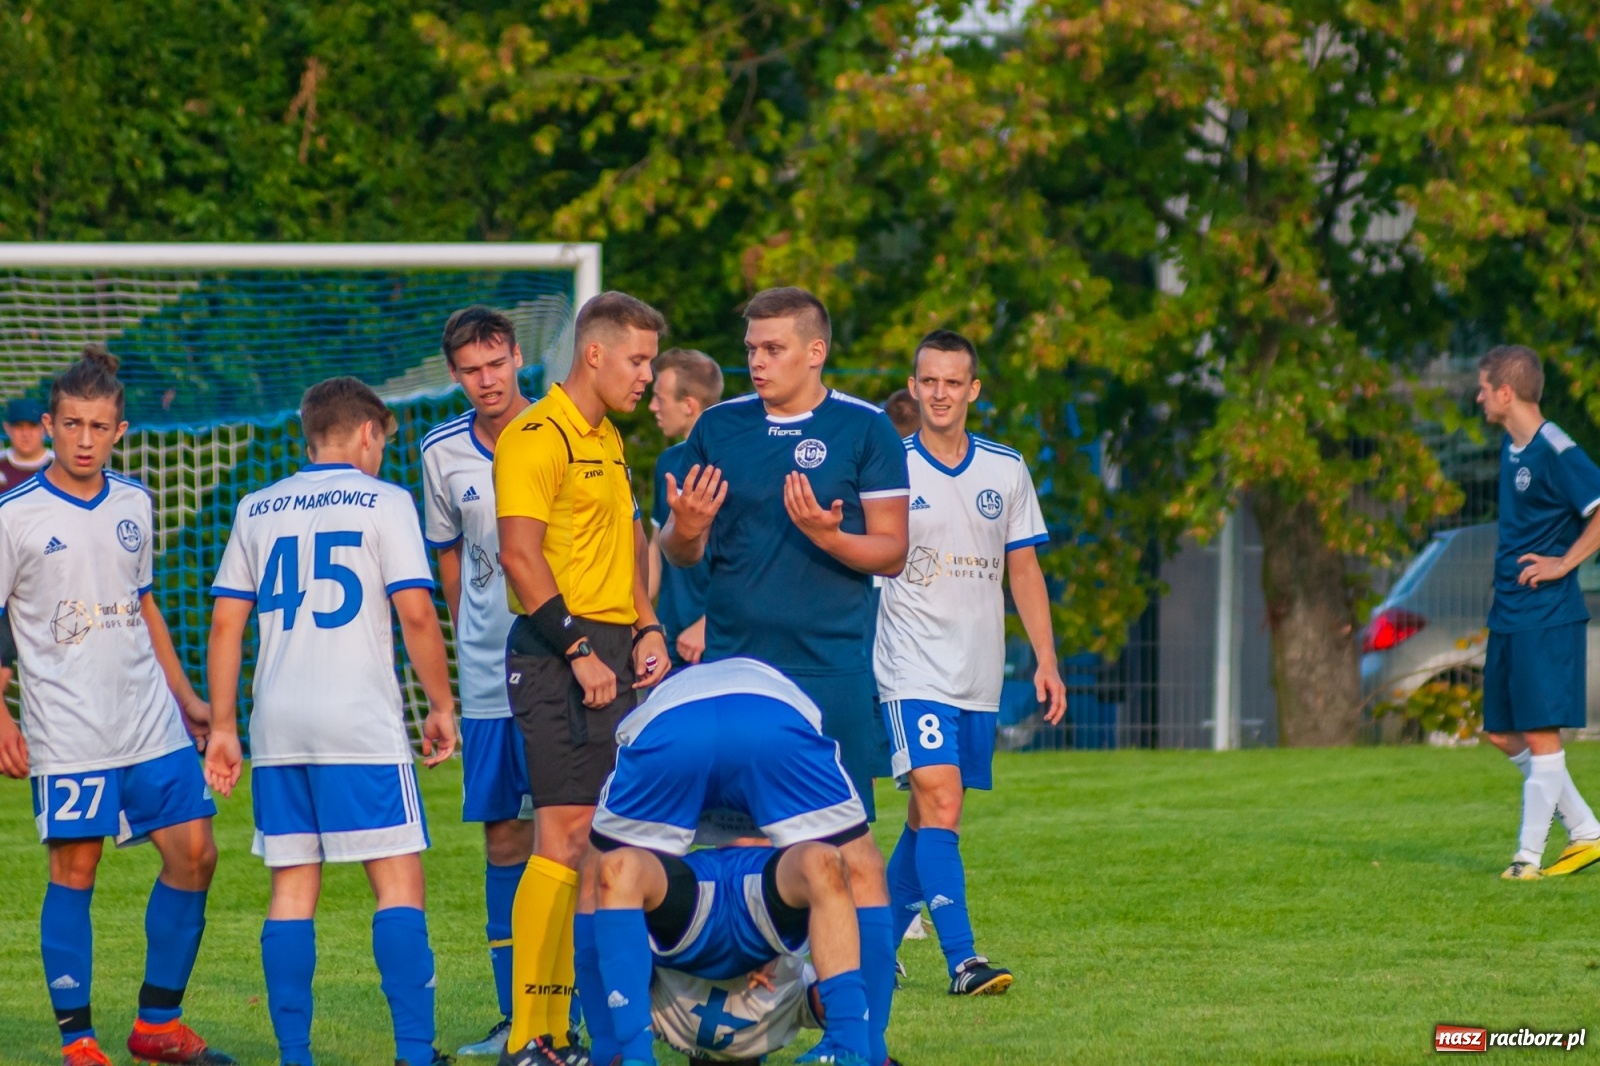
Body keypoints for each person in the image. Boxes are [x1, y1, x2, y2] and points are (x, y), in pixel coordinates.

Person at [659, 286, 908, 1066]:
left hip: (829, 673)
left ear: (815, 351)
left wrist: (829, 537)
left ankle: (862, 1043)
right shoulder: (719, 428)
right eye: (751, 349)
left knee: (852, 861)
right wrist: (686, 532)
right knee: (739, 859)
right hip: (736, 676)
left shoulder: (865, 429)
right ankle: (738, 1036)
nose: (756, 362)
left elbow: (892, 551)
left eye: (772, 348)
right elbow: (680, 550)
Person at [204, 377, 458, 1066]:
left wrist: (223, 726)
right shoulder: (385, 500)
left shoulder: (257, 506)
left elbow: (226, 623)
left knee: (291, 886)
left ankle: (295, 1055)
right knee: (397, 881)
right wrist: (441, 704)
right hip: (358, 720)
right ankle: (414, 1052)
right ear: (369, 433)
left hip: (277, 724)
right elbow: (415, 613)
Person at [0, 348, 232, 1066]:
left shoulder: (135, 501)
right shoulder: (13, 515)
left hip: (150, 718)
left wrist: (187, 698)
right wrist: (1, 716)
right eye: (71, 424)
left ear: (119, 431)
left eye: (99, 427)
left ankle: (157, 1024)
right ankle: (78, 1041)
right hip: (69, 727)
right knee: (76, 869)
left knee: (196, 854)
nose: (84, 439)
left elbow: (144, 605)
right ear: (49, 425)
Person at [494, 291, 672, 1064]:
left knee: (605, 840)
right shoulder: (535, 436)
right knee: (563, 836)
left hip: (610, 646)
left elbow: (627, 540)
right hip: (554, 649)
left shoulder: (608, 438)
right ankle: (531, 1035)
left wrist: (646, 626)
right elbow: (518, 555)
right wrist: (577, 650)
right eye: (638, 360)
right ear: (593, 353)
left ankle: (584, 1028)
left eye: (652, 362)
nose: (647, 376)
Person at [875, 330, 1067, 994]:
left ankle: (871, 948)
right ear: (913, 386)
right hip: (910, 665)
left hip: (978, 673)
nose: (940, 394)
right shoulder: (889, 466)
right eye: (928, 381)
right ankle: (963, 960)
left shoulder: (1005, 469)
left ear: (973, 390)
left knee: (927, 816)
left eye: (952, 382)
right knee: (942, 799)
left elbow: (1024, 570)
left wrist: (1046, 659)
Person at [585, 658, 880, 1066]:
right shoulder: (780, 1018)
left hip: (690, 927)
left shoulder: (665, 1019)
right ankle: (856, 1048)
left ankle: (623, 1055)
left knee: (613, 873)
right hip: (760, 916)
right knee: (828, 865)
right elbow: (825, 993)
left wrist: (620, 1043)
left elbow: (621, 957)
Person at [421, 306, 539, 1057]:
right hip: (492, 674)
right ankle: (512, 1017)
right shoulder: (440, 452)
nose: (486, 380)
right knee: (504, 839)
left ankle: (581, 1008)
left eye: (496, 364)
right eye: (471, 370)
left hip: (566, 664)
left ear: (518, 357)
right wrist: (468, 631)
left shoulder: (563, 429)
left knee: (579, 836)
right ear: (454, 375)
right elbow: (449, 554)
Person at [1472, 345, 1600, 880]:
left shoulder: (1556, 449)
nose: (1478, 397)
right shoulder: (1513, 446)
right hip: (1509, 612)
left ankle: (1526, 858)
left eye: (1483, 388)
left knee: (1541, 736)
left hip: (1546, 614)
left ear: (1506, 393)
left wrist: (1562, 563)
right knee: (1502, 733)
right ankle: (1587, 831)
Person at [587, 840, 863, 1066]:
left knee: (824, 864)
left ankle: (858, 1051)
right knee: (618, 870)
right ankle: (858, 1052)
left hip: (701, 930)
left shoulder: (669, 1025)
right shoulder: (670, 1027)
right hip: (750, 922)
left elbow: (837, 994)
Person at [646, 348, 724, 666]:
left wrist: (708, 624)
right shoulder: (667, 462)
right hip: (668, 640)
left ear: (689, 405)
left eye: (659, 398)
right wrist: (639, 622)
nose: (652, 407)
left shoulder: (736, 463)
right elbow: (655, 549)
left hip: (718, 642)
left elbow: (759, 562)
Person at [0, 396, 53, 489]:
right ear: (7, 428)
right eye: (19, 426)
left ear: (44, 428)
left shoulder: (60, 466)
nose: (25, 433)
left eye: (32, 426)